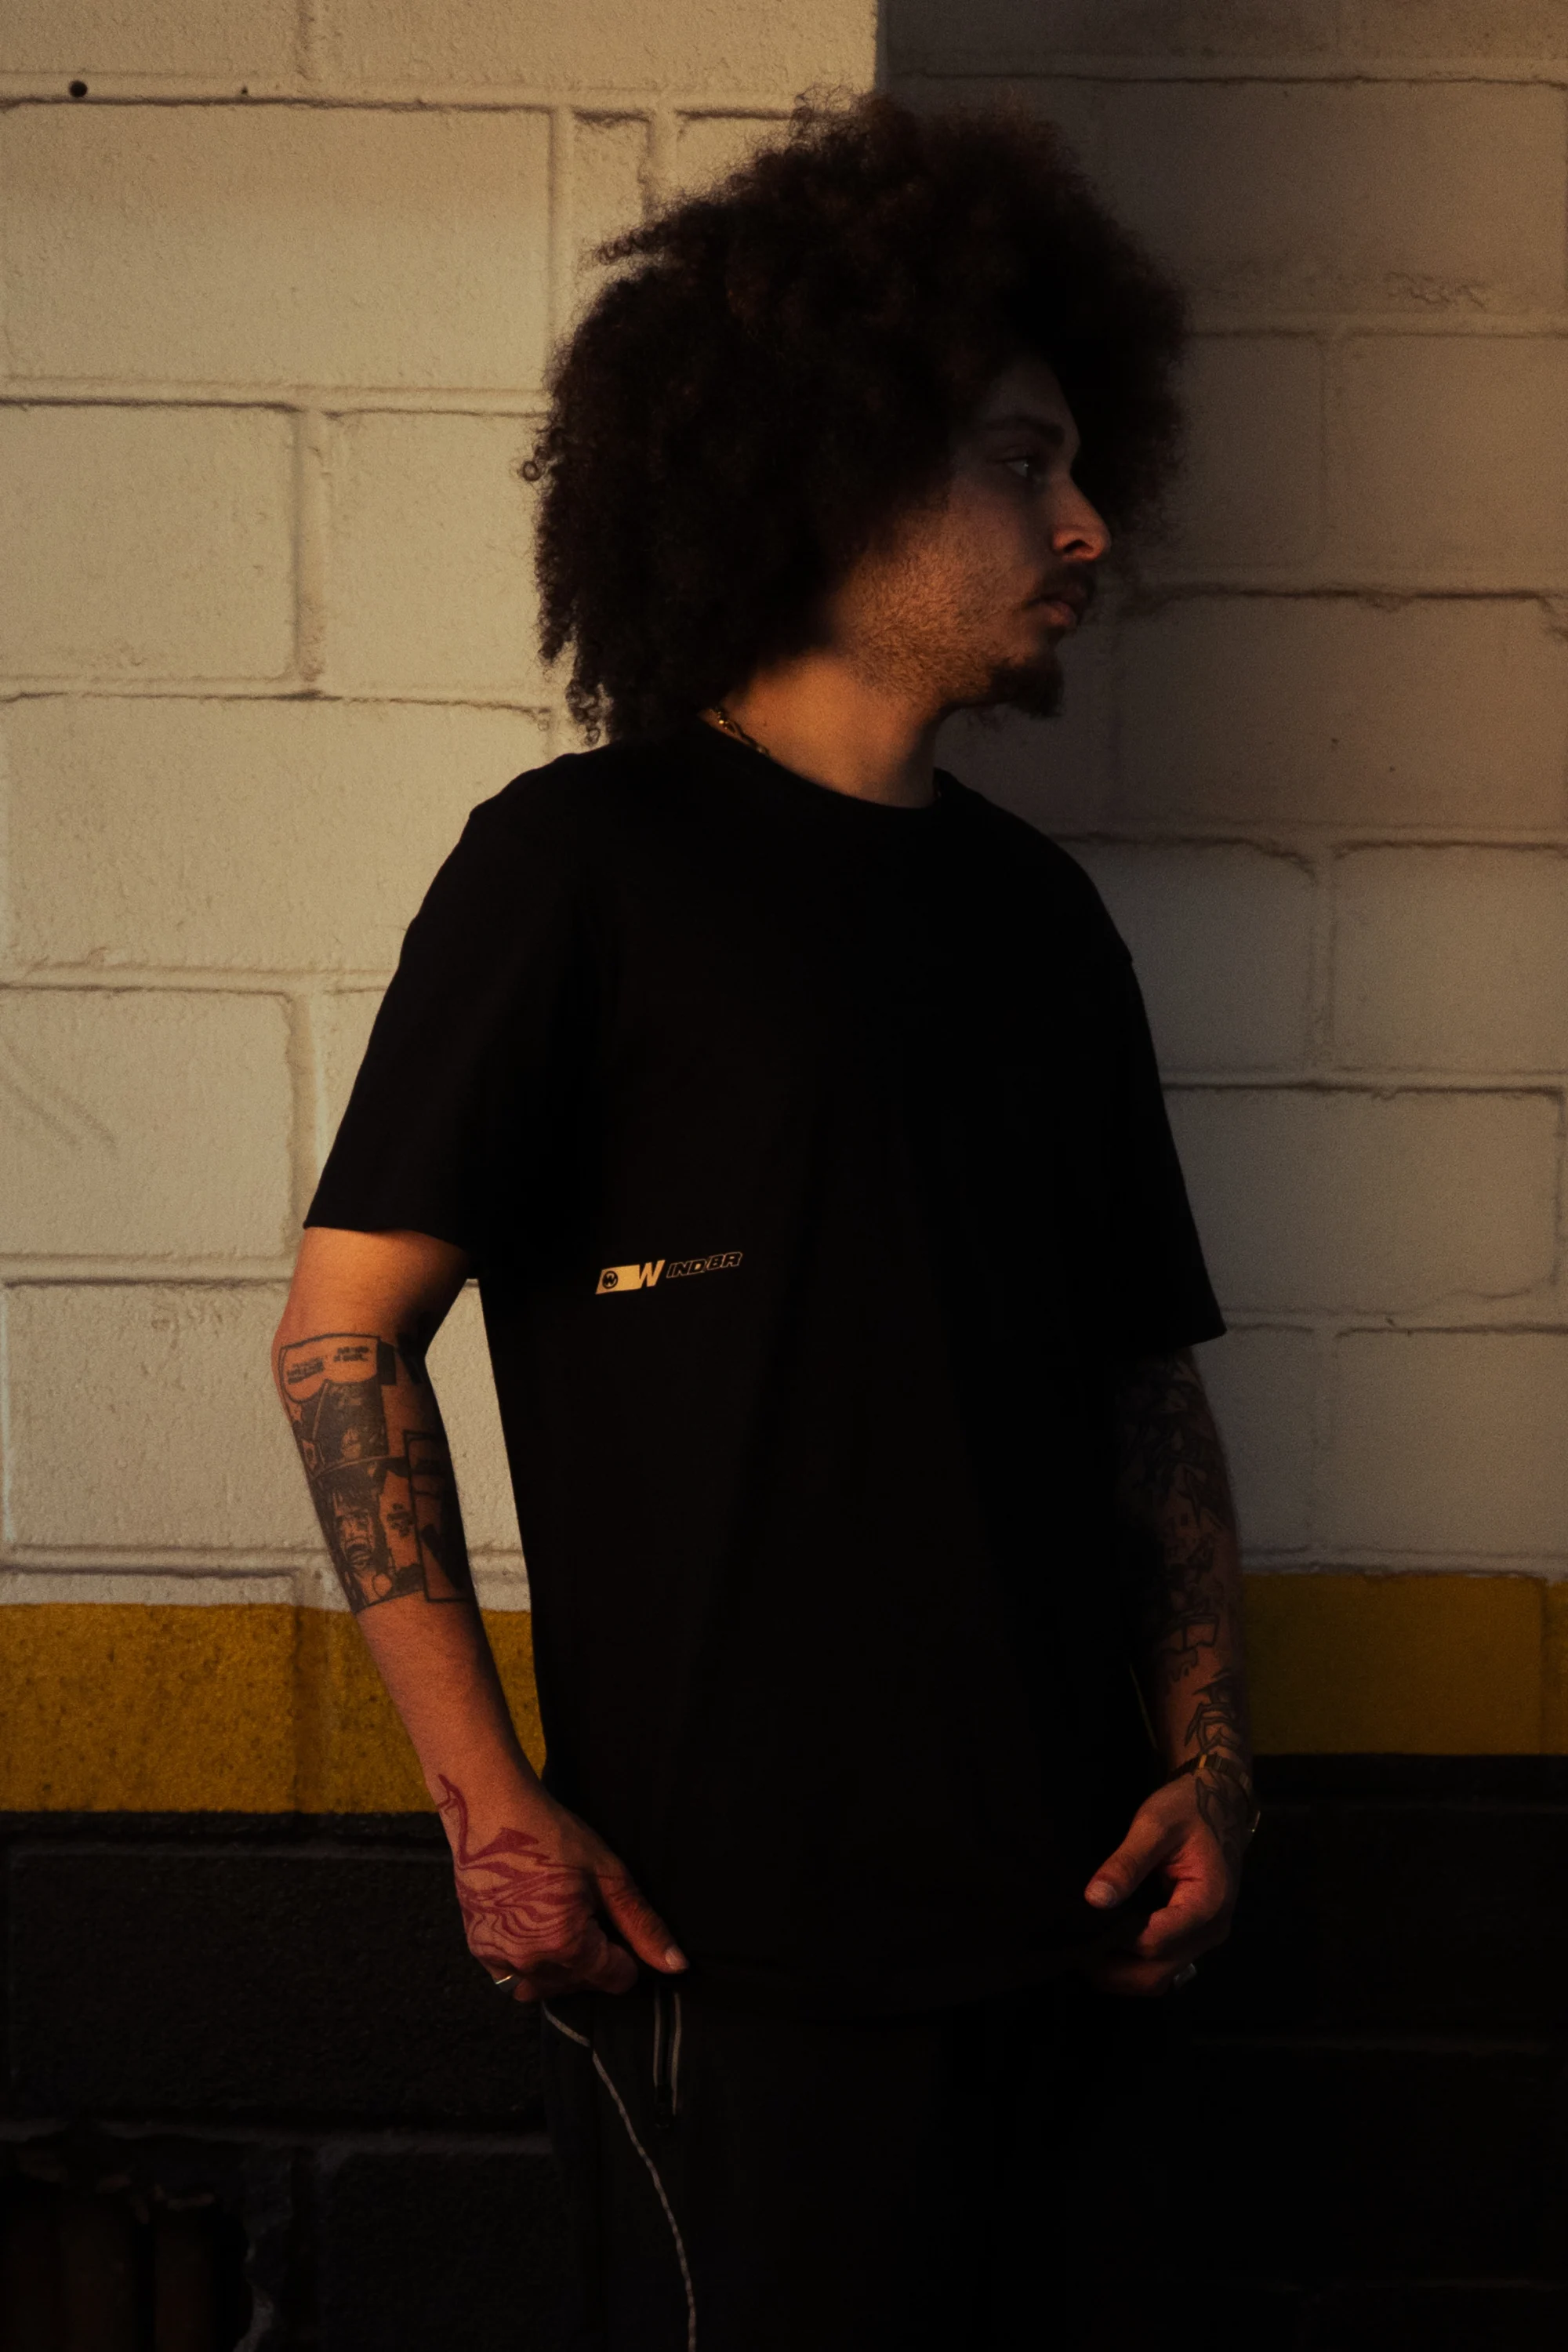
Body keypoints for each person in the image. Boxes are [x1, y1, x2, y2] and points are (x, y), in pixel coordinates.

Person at [273, 96, 1256, 2351]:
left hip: (1078, 1929)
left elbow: (1143, 1383)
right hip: (732, 1951)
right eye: (1023, 460)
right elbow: (340, 1339)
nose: (1088, 525)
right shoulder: (577, 870)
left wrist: (1214, 1770)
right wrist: (489, 1810)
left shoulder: (1041, 922)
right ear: (830, 467)